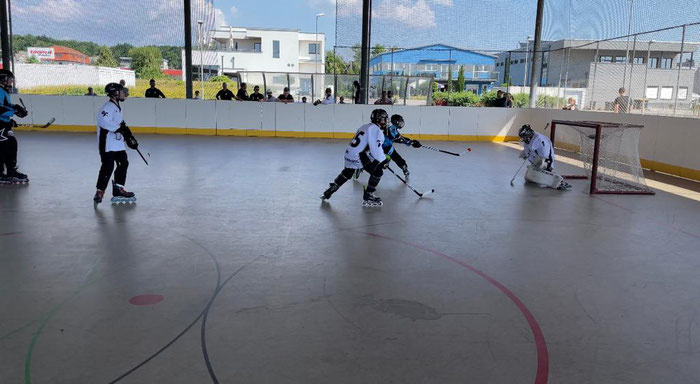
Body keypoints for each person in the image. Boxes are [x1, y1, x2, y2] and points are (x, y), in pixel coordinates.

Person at [321, 109, 389, 207]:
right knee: (378, 172)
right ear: (378, 119)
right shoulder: (375, 129)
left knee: (348, 172)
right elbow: (376, 148)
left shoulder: (365, 126)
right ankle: (368, 196)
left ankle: (330, 191)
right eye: (384, 119)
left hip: (349, 153)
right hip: (359, 155)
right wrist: (383, 160)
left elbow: (365, 145)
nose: (385, 122)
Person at [93, 83, 140, 205]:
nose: (124, 93)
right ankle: (100, 191)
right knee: (107, 167)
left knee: (123, 163)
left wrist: (129, 136)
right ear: (114, 93)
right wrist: (118, 129)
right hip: (107, 143)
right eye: (121, 91)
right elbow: (102, 121)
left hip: (117, 144)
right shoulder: (108, 106)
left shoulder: (117, 106)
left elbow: (121, 123)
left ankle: (118, 188)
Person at [354, 114, 421, 179]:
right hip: (380, 147)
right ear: (396, 122)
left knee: (396, 157)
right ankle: (362, 168)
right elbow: (395, 138)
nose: (401, 124)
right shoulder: (390, 129)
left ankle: (404, 167)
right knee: (381, 161)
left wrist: (411, 142)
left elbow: (401, 138)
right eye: (400, 122)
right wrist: (407, 142)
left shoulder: (394, 129)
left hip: (388, 146)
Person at [518, 124, 571, 191]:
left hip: (546, 160)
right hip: (537, 158)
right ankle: (536, 176)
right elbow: (528, 148)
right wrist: (526, 153)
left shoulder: (538, 140)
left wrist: (540, 161)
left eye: (524, 137)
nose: (523, 139)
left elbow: (545, 155)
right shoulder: (530, 139)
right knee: (532, 172)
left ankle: (559, 182)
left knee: (544, 169)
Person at [0, 69, 29, 184]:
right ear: (2, 79)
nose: (11, 82)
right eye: (9, 80)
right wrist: (15, 110)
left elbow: (5, 106)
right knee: (4, 146)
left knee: (11, 144)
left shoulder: (3, 92)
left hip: (3, 124)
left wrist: (14, 111)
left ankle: (11, 171)